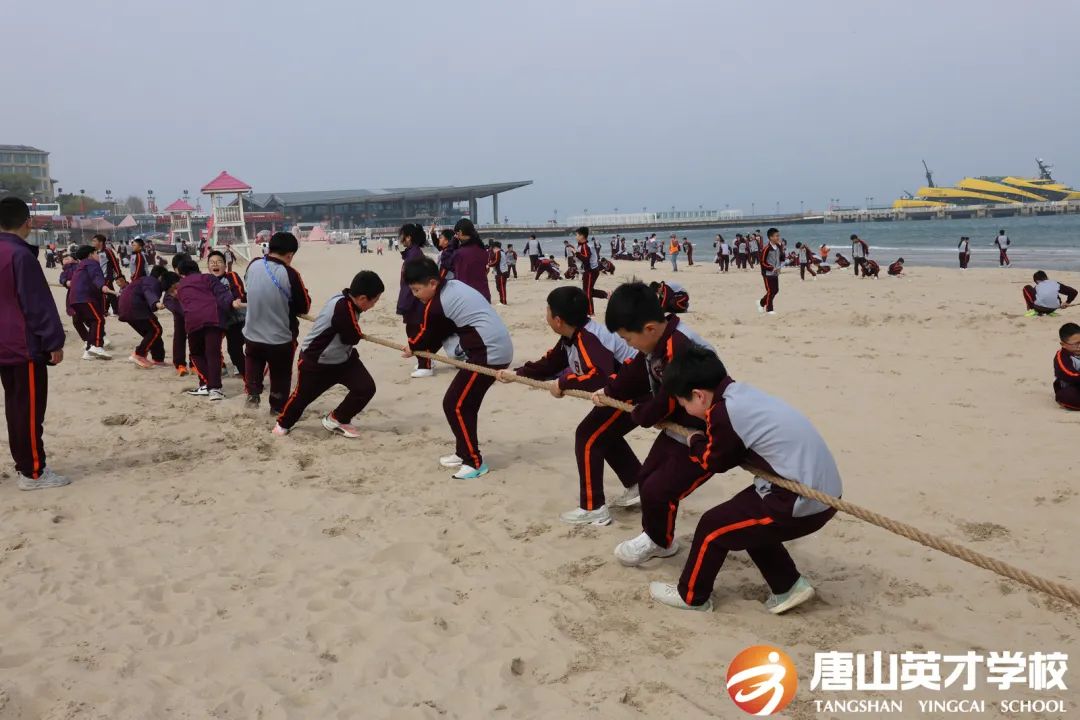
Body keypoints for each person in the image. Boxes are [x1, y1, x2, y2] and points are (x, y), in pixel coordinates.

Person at [647, 346, 841, 614]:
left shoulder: (723, 413)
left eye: (683, 403)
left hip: (801, 501)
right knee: (741, 517)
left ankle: (691, 596)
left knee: (712, 527)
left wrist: (695, 439)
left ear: (699, 395)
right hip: (822, 491)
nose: (685, 409)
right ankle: (788, 586)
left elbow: (715, 462)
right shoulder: (739, 393)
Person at [599, 281, 716, 566]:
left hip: (707, 432)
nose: (628, 345)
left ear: (649, 328)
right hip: (680, 425)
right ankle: (659, 539)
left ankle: (658, 542)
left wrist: (641, 415)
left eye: (627, 339)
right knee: (646, 478)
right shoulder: (657, 340)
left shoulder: (681, 346)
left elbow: (668, 399)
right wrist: (610, 392)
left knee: (661, 489)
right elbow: (637, 373)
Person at [502, 286, 639, 525]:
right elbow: (551, 363)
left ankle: (593, 508)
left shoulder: (588, 338)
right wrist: (517, 373)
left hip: (635, 392)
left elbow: (600, 377)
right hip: (621, 391)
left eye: (547, 310)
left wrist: (563, 383)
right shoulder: (571, 335)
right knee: (603, 434)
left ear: (558, 320)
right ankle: (638, 484)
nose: (545, 314)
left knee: (587, 436)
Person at [404, 258, 514, 479]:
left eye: (417, 290)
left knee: (454, 404)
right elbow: (442, 330)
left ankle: (474, 462)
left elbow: (427, 335)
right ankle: (463, 451)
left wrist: (412, 347)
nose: (415, 295)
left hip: (488, 355)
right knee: (465, 404)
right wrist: (418, 348)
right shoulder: (452, 286)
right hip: (492, 350)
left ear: (432, 283)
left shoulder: (437, 304)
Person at [0, 197, 69, 490]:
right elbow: (37, 304)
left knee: (17, 407)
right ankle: (33, 472)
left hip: (6, 342)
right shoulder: (20, 255)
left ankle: (26, 466)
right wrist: (53, 342)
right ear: (27, 222)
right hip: (21, 345)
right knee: (27, 410)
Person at [274, 271, 384, 437]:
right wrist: (357, 333)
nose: (373, 305)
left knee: (365, 387)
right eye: (374, 301)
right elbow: (352, 337)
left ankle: (337, 419)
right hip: (316, 362)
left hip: (343, 359)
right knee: (302, 397)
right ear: (362, 298)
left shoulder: (348, 301)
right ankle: (282, 425)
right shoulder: (343, 308)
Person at [243, 232, 311, 410]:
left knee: (253, 361)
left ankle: (252, 395)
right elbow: (304, 306)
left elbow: (247, 289)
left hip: (252, 333)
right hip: (280, 338)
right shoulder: (290, 273)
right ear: (290, 255)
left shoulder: (253, 264)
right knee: (280, 374)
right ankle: (277, 406)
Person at [177, 258, 236, 400]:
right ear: (196, 268)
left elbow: (182, 305)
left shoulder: (181, 285)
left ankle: (206, 383)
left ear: (181, 273)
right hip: (213, 318)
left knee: (196, 354)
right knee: (213, 354)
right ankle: (214, 388)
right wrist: (230, 308)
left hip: (193, 321)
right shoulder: (208, 278)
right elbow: (223, 294)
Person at [396, 223, 435, 378]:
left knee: (415, 331)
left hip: (416, 300)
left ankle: (425, 365)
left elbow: (411, 285)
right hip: (415, 299)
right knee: (416, 330)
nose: (400, 239)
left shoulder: (414, 256)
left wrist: (404, 305)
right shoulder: (413, 254)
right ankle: (426, 360)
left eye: (402, 236)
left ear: (408, 238)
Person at [67, 245, 115, 360]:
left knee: (93, 321)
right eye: (96, 253)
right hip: (85, 297)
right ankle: (97, 346)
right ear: (90, 255)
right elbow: (96, 276)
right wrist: (102, 286)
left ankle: (88, 351)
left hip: (74, 299)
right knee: (98, 320)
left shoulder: (80, 266)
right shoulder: (91, 263)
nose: (98, 256)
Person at [207, 250, 247, 378]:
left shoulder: (231, 276)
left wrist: (238, 299)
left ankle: (247, 374)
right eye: (212, 262)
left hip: (239, 320)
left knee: (235, 348)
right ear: (208, 267)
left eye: (219, 262)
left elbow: (238, 289)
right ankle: (222, 366)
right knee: (211, 345)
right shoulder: (206, 281)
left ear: (225, 265)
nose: (215, 264)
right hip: (220, 320)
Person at [118, 265, 167, 368]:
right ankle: (139, 354)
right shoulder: (152, 282)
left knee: (151, 333)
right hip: (135, 307)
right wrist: (156, 303)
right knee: (156, 330)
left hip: (124, 308)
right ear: (161, 277)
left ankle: (158, 359)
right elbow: (149, 292)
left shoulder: (144, 280)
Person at [451, 218, 492, 302]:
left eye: (456, 234)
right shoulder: (483, 251)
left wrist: (453, 243)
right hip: (484, 295)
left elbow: (446, 262)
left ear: (460, 232)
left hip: (467, 298)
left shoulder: (460, 253)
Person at [164, 253, 191, 376]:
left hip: (195, 315)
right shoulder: (173, 281)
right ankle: (180, 364)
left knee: (196, 338)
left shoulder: (194, 278)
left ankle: (194, 363)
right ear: (175, 269)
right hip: (180, 315)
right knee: (179, 337)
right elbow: (167, 298)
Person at [575, 226, 608, 315]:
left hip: (590, 271)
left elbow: (586, 259)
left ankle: (590, 312)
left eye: (577, 235)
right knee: (588, 291)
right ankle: (607, 295)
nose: (576, 237)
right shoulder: (584, 245)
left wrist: (576, 253)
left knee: (587, 292)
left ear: (582, 236)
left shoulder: (585, 246)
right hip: (590, 271)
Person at [92, 233, 126, 316]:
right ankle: (116, 310)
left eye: (95, 241)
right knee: (110, 293)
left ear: (101, 242)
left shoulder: (108, 251)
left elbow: (115, 263)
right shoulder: (95, 252)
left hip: (107, 277)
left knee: (105, 293)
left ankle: (105, 310)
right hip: (98, 278)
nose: (93, 243)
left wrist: (119, 275)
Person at [1054, 322, 1080, 410]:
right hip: (1072, 387)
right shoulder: (1061, 357)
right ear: (1063, 344)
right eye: (1076, 344)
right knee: (1066, 396)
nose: (1079, 346)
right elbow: (1069, 375)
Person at [758, 228, 782, 314]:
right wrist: (771, 268)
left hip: (775, 272)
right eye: (776, 236)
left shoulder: (779, 246)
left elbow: (781, 258)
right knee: (770, 291)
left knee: (775, 290)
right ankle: (769, 309)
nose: (778, 237)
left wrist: (779, 267)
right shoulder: (767, 248)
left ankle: (761, 303)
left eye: (778, 236)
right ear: (771, 237)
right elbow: (762, 262)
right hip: (767, 273)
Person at [488, 240, 510, 305]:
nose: (493, 250)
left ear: (495, 247)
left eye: (493, 248)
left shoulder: (498, 252)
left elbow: (496, 262)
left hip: (501, 272)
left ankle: (503, 302)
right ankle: (502, 300)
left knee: (501, 287)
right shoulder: (502, 252)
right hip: (502, 272)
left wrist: (488, 265)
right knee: (500, 287)